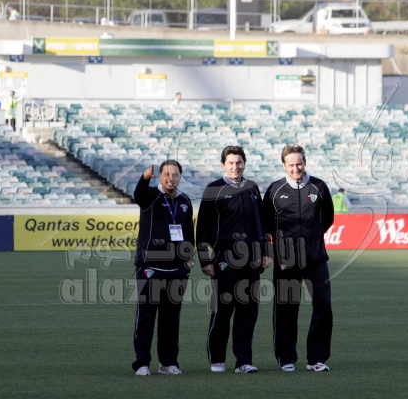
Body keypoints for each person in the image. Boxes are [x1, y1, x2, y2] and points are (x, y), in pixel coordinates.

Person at [197, 145, 272, 374]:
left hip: (251, 259)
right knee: (223, 309)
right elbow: (202, 227)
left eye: (239, 162)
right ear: (223, 165)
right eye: (230, 163)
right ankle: (217, 359)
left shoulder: (252, 188)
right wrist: (205, 260)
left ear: (244, 164)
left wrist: (266, 251)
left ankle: (243, 361)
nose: (235, 166)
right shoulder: (214, 189)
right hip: (224, 258)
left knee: (248, 311)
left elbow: (261, 222)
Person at [263, 144, 334, 373]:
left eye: (299, 163)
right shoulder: (275, 190)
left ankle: (317, 358)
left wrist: (312, 239)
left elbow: (327, 218)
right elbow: (266, 222)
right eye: (291, 164)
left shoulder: (319, 187)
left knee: (323, 305)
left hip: (315, 259)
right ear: (284, 165)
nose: (296, 168)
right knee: (286, 308)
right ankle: (286, 358)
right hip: (286, 261)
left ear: (305, 162)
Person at [132, 160, 195, 377]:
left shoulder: (185, 201)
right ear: (160, 176)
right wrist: (144, 178)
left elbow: (188, 232)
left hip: (177, 269)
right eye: (166, 174)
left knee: (171, 319)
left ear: (180, 177)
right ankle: (142, 363)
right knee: (146, 317)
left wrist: (189, 258)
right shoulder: (150, 196)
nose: (171, 178)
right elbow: (138, 195)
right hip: (150, 266)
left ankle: (168, 363)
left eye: (175, 175)